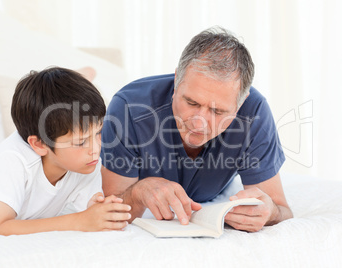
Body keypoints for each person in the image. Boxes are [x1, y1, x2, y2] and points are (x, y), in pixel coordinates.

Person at [100, 27, 293, 232]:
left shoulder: (254, 112)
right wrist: (138, 192)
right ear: (176, 81)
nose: (199, 123)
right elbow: (113, 210)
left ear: (240, 103)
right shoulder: (129, 107)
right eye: (191, 102)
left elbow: (282, 210)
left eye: (218, 111)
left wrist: (270, 212)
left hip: (216, 191)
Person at [0, 67, 131, 235]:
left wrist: (97, 210)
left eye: (99, 133)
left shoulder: (87, 162)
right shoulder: (12, 160)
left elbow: (89, 210)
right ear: (40, 145)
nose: (95, 149)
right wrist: (79, 221)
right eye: (80, 142)